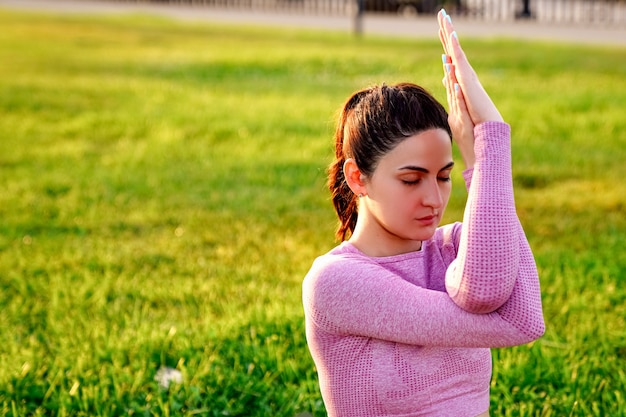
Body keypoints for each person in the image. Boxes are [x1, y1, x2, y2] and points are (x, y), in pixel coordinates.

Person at [302, 9, 545, 417]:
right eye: (412, 180)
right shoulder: (335, 282)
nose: (434, 199)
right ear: (358, 178)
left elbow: (493, 293)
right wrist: (490, 153)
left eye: (445, 176)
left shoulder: (454, 249)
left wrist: (485, 157)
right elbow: (520, 322)